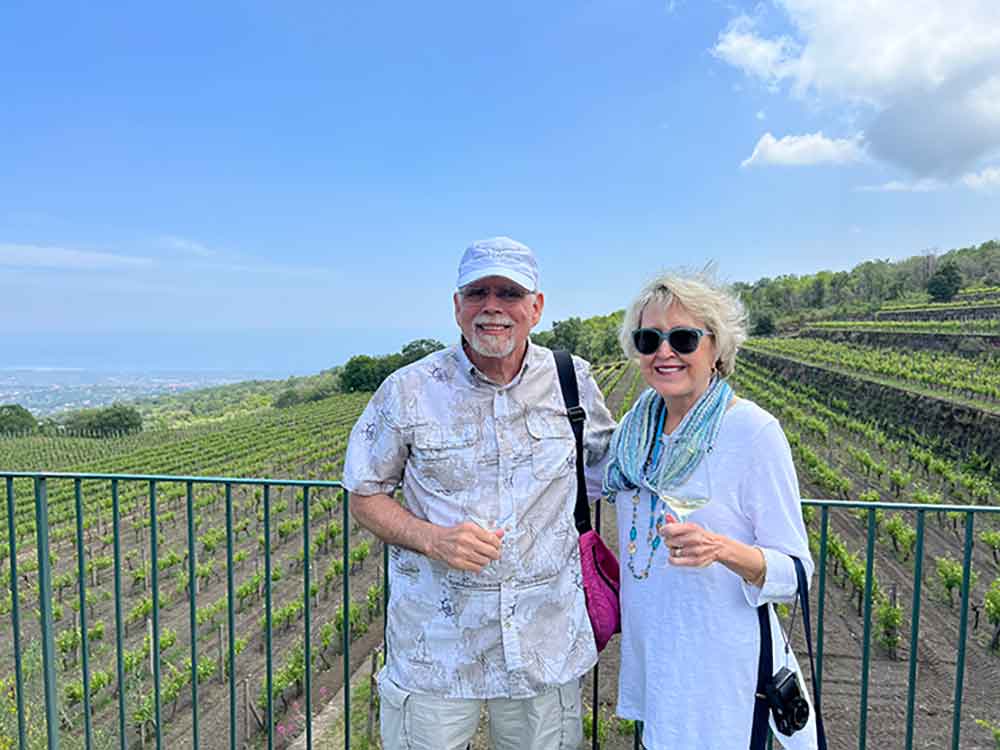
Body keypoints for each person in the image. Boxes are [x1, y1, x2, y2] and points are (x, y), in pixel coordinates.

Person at [343, 236, 616, 750]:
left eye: (509, 293)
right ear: (457, 306)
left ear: (536, 308)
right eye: (478, 292)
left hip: (543, 644)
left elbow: (608, 470)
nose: (492, 306)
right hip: (437, 652)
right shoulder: (408, 389)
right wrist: (431, 539)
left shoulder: (571, 380)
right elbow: (364, 495)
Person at [603, 271, 818, 749]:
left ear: (716, 348)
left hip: (723, 674)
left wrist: (721, 549)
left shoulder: (752, 433)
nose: (664, 352)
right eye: (648, 339)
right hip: (659, 661)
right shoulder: (632, 435)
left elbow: (797, 570)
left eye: (682, 338)